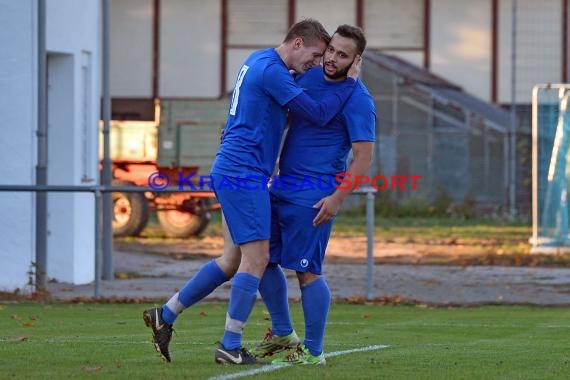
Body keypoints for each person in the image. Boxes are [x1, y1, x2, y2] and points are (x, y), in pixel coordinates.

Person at [142, 18, 362, 364]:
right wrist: (349, 83)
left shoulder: (258, 60)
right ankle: (230, 346)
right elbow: (317, 114)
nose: (318, 63)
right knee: (257, 259)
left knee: (233, 260)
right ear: (297, 44)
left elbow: (266, 113)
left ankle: (165, 315)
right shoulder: (274, 73)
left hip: (237, 170)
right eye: (318, 54)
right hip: (242, 174)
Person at [251, 24, 375, 365]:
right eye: (331, 50)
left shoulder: (359, 99)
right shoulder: (306, 78)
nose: (332, 58)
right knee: (261, 260)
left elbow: (363, 158)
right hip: (281, 188)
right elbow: (282, 117)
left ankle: (314, 351)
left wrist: (336, 199)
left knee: (307, 272)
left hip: (315, 198)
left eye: (342, 55)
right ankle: (281, 334)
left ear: (356, 60)